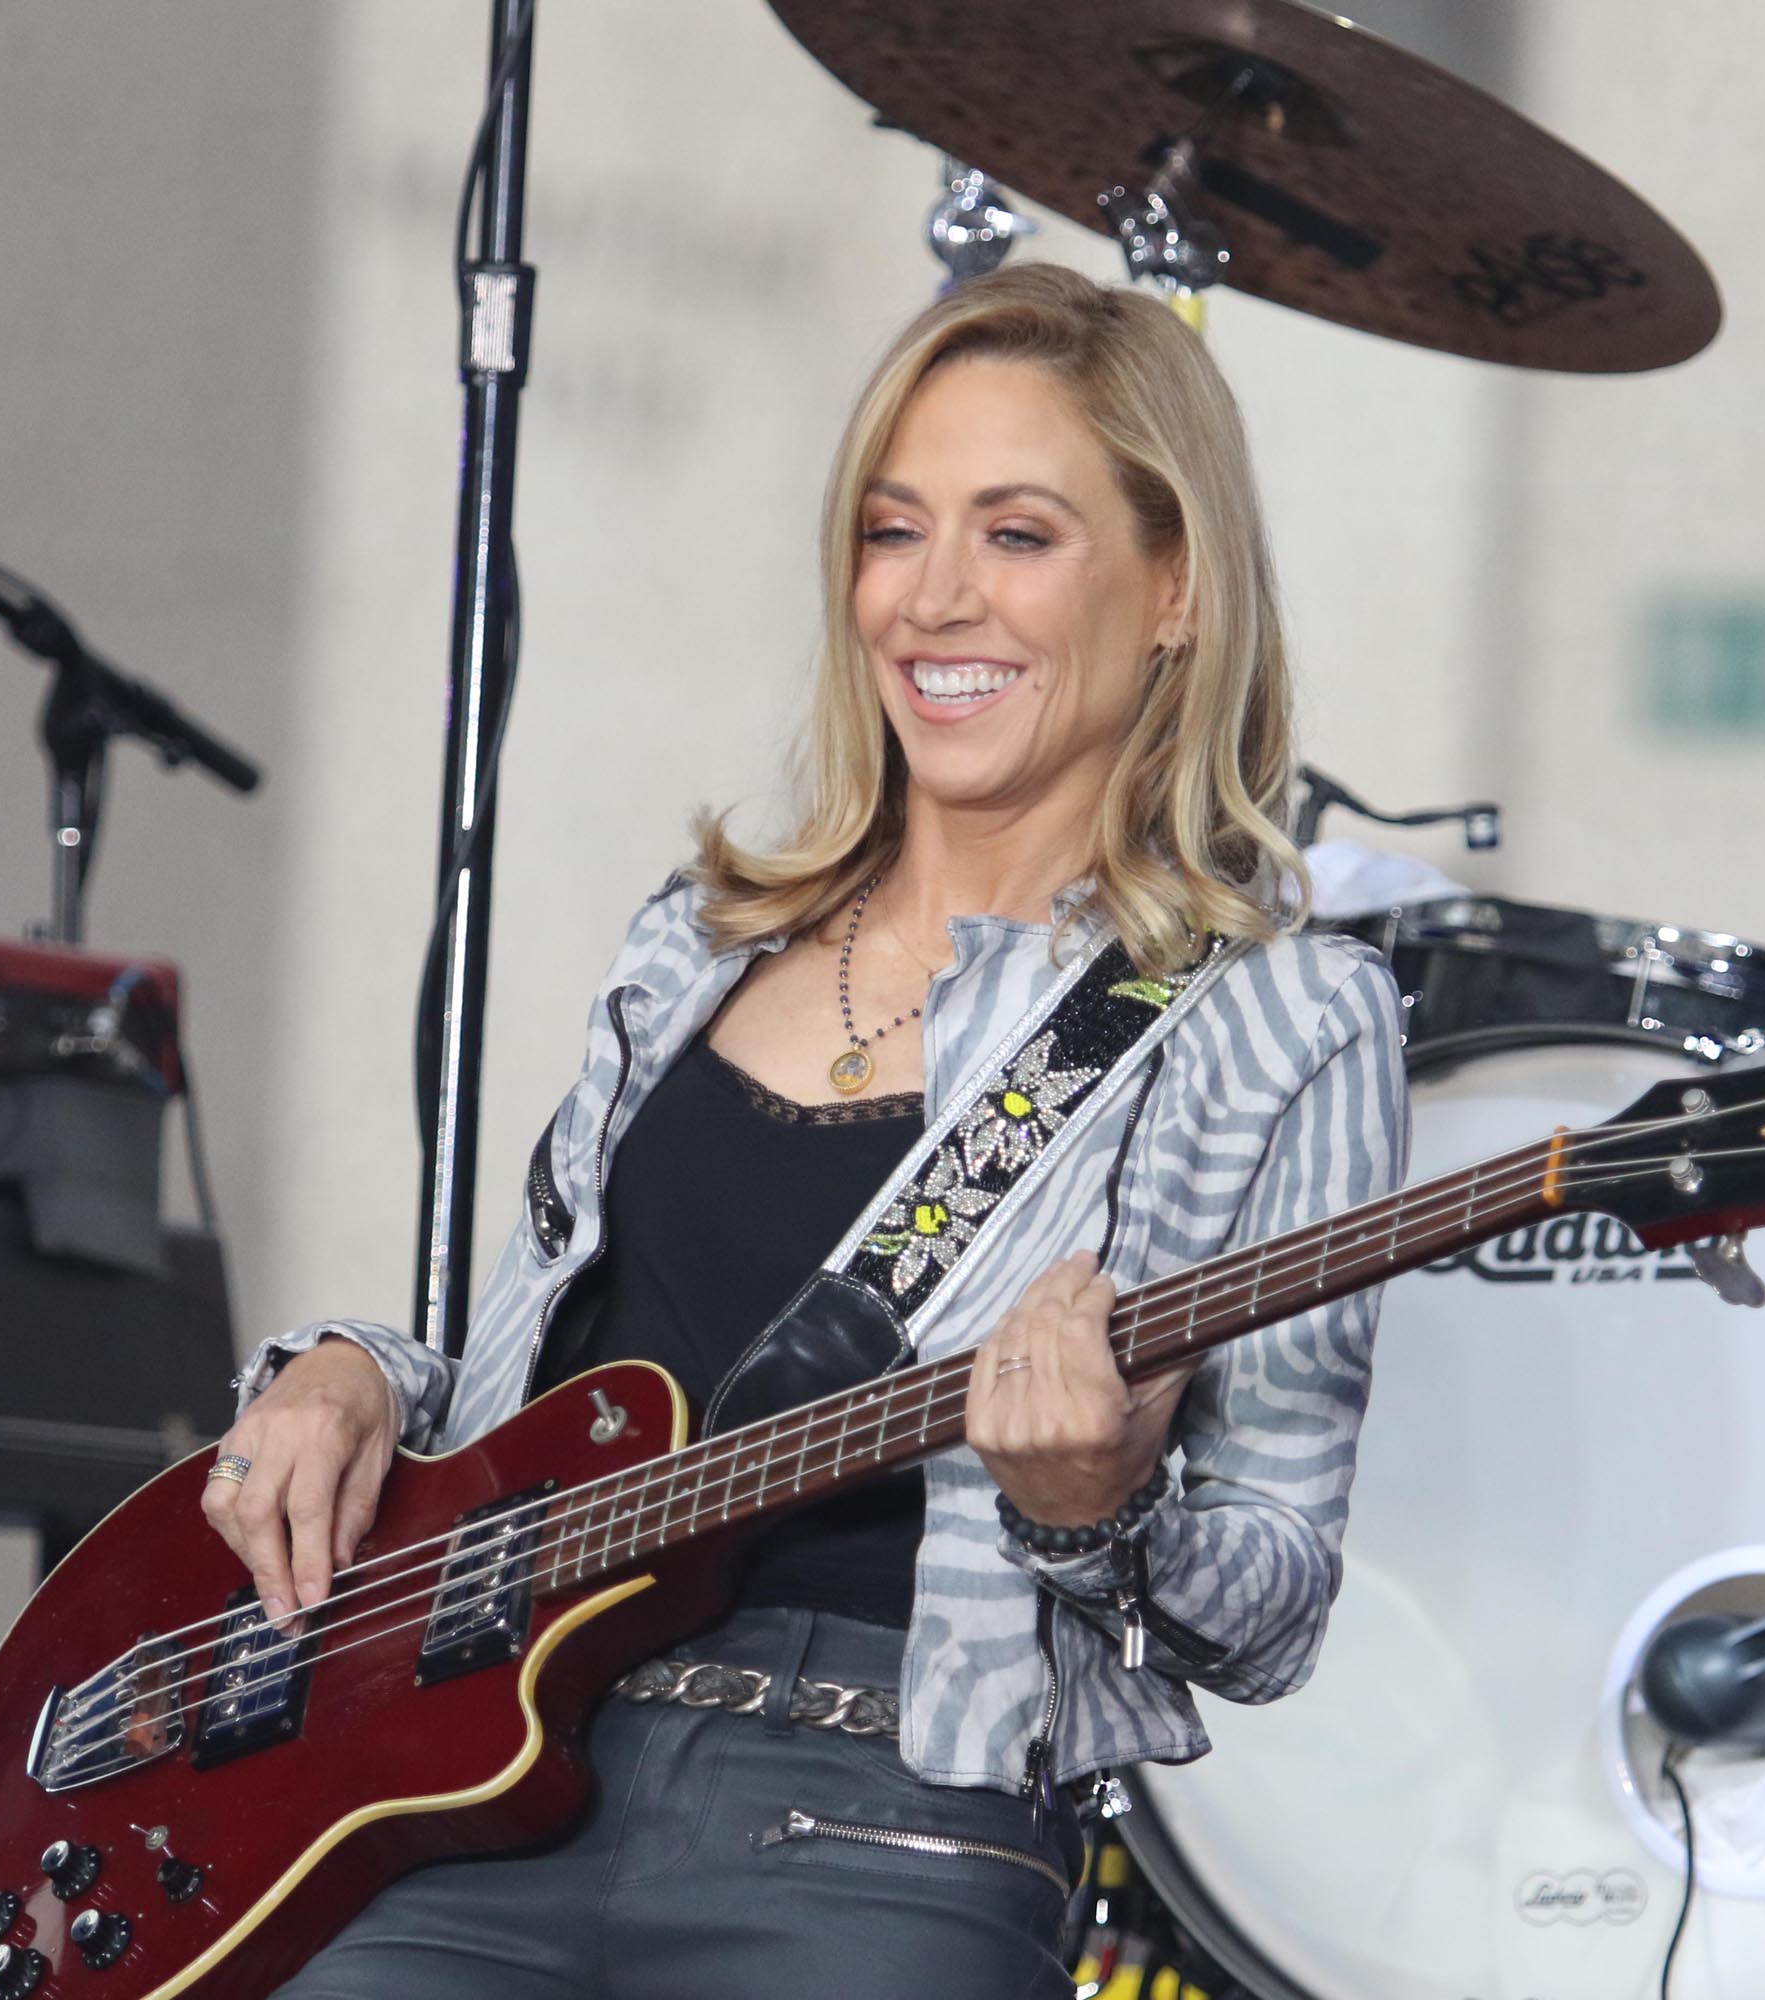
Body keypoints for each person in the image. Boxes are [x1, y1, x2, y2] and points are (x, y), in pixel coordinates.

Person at [208, 262, 1409, 1999]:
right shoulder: (694, 948)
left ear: (1174, 589)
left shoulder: (1279, 1018)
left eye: (1017, 536)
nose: (932, 600)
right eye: (892, 529)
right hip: (467, 1791)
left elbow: (1275, 1600)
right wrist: (353, 1377)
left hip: (881, 1829)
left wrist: (1093, 1509)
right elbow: (517, 1414)